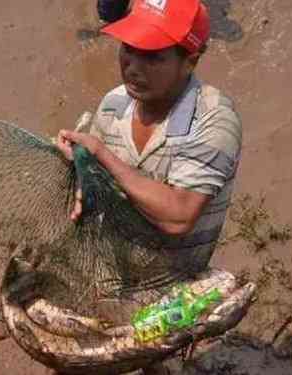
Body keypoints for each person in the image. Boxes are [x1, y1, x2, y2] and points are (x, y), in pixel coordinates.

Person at [58, 0, 242, 270]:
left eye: (152, 56)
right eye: (129, 48)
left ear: (190, 62)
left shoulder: (213, 119)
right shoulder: (114, 103)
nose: (133, 67)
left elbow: (178, 216)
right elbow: (98, 176)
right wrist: (81, 165)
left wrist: (102, 154)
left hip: (175, 281)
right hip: (110, 262)